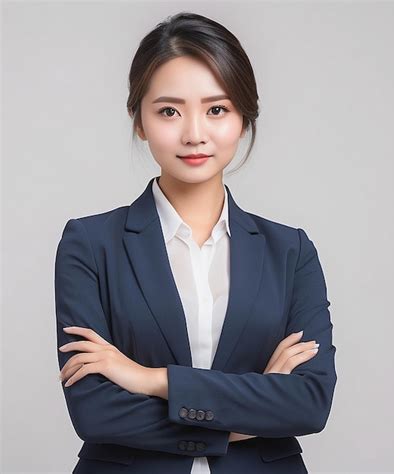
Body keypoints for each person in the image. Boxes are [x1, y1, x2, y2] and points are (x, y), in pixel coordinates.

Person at [55, 11, 337, 474]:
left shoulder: (290, 251)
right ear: (139, 119)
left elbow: (309, 403)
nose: (194, 133)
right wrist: (254, 408)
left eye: (217, 109)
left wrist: (150, 379)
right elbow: (95, 412)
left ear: (243, 117)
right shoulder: (90, 244)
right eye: (169, 110)